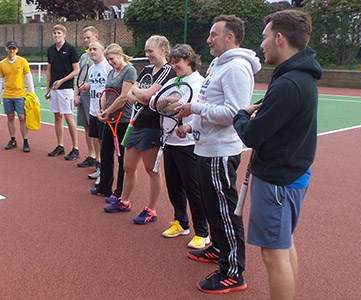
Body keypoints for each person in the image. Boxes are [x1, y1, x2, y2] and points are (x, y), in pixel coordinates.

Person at [233, 10, 321, 300]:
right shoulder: (300, 77)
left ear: (279, 38)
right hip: (290, 174)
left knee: (274, 254)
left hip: (278, 180)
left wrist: (240, 116)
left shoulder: (288, 83)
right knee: (283, 246)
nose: (262, 44)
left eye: (265, 37)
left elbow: (252, 135)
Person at [177, 15, 260, 293]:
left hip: (221, 151)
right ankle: (219, 248)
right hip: (205, 145)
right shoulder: (217, 65)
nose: (209, 39)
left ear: (230, 37)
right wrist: (191, 125)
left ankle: (233, 271)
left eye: (214, 34)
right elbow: (208, 103)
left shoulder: (236, 68)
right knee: (213, 206)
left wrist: (194, 110)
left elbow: (233, 114)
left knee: (225, 209)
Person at [103, 35, 175, 225]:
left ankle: (151, 209)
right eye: (146, 51)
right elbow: (131, 94)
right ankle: (124, 201)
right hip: (136, 123)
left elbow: (148, 95)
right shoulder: (147, 69)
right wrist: (141, 95)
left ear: (162, 50)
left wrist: (142, 95)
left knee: (151, 170)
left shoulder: (168, 71)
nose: (147, 54)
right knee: (128, 166)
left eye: (150, 50)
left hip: (153, 126)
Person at [150, 44, 210, 250]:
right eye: (173, 61)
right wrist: (166, 103)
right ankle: (181, 223)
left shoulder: (199, 83)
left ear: (190, 61)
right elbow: (157, 104)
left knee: (194, 189)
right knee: (174, 185)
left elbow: (180, 108)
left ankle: (202, 232)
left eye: (179, 61)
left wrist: (169, 105)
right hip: (170, 141)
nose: (175, 65)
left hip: (189, 144)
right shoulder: (174, 81)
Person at [92, 43, 136, 203]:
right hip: (109, 120)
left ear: (119, 54)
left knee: (122, 157)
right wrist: (101, 110)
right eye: (108, 60)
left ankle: (119, 192)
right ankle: (104, 187)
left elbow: (124, 97)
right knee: (105, 153)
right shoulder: (111, 72)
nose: (110, 62)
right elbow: (106, 94)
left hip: (123, 120)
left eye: (112, 59)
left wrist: (108, 111)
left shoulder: (129, 70)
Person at [45, 24, 81, 161]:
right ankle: (60, 146)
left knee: (68, 116)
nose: (56, 35)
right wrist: (48, 88)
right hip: (54, 89)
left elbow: (76, 70)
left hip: (66, 88)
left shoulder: (71, 49)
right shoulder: (50, 50)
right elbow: (49, 70)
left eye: (59, 33)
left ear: (64, 35)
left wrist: (61, 80)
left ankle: (75, 148)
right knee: (57, 116)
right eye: (54, 33)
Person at [78, 40, 110, 185]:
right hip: (93, 109)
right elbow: (95, 84)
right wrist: (87, 86)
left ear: (102, 51)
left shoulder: (108, 67)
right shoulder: (91, 69)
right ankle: (99, 164)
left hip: (103, 111)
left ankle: (105, 170)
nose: (92, 52)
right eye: (90, 50)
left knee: (104, 142)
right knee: (96, 138)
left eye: (95, 49)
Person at [0, 40, 35, 152]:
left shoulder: (23, 61)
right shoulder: (2, 64)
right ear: (6, 49)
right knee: (10, 117)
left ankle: (25, 141)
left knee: (22, 118)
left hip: (20, 94)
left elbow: (29, 78)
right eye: (10, 48)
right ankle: (13, 140)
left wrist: (32, 93)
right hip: (7, 95)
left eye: (14, 48)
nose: (12, 50)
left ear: (17, 50)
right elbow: (0, 80)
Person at [75, 26, 101, 170]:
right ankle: (91, 155)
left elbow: (102, 80)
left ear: (96, 37)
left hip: (94, 97)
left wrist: (89, 86)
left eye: (89, 37)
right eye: (84, 38)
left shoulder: (101, 56)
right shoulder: (84, 57)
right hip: (83, 96)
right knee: (87, 127)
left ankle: (98, 158)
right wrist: (76, 95)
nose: (86, 40)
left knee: (95, 128)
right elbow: (79, 77)